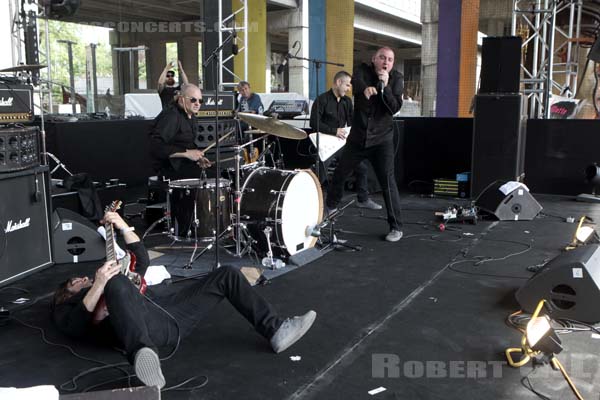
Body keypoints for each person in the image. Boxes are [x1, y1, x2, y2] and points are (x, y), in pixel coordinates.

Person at [52, 211, 317, 389]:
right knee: (118, 283)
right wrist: (99, 284)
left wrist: (120, 225)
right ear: (71, 287)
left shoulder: (115, 278)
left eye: (86, 278)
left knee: (227, 274)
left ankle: (275, 329)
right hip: (141, 330)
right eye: (79, 280)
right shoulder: (70, 304)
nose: (85, 278)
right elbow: (74, 326)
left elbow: (141, 258)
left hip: (171, 314)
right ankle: (144, 356)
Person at [326, 47, 404, 242]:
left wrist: (384, 88)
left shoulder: (397, 79)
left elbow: (394, 107)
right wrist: (365, 89)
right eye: (382, 58)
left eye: (390, 59)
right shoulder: (362, 71)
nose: (386, 62)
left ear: (392, 64)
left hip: (382, 139)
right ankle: (330, 208)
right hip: (358, 138)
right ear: (374, 59)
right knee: (340, 173)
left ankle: (396, 227)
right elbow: (356, 81)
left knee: (388, 182)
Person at [310, 70, 382, 210]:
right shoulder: (322, 99)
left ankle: (363, 199)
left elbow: (351, 122)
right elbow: (314, 123)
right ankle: (313, 202)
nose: (349, 89)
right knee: (320, 176)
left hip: (342, 144)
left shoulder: (347, 102)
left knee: (362, 168)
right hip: (326, 145)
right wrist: (334, 131)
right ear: (338, 82)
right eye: (347, 85)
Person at [149, 83, 211, 180]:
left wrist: (199, 158)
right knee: (213, 176)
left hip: (184, 163)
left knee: (218, 171)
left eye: (200, 100)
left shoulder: (192, 116)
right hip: (170, 167)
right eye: (193, 100)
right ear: (182, 99)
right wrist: (186, 153)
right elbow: (156, 147)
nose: (197, 103)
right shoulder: (172, 116)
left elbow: (188, 145)